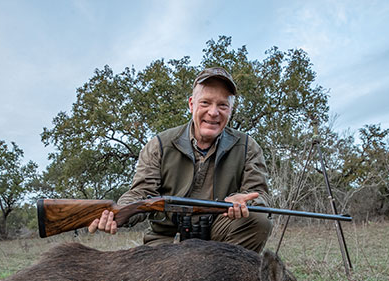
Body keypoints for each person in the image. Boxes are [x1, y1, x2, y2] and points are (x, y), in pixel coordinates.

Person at [89, 67, 272, 253]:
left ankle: (223, 266)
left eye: (222, 105)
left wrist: (245, 202)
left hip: (219, 238)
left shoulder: (248, 146)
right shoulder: (159, 145)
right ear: (191, 104)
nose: (213, 112)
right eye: (205, 103)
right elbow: (141, 193)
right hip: (167, 240)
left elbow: (260, 194)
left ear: (231, 110)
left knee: (258, 220)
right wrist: (117, 213)